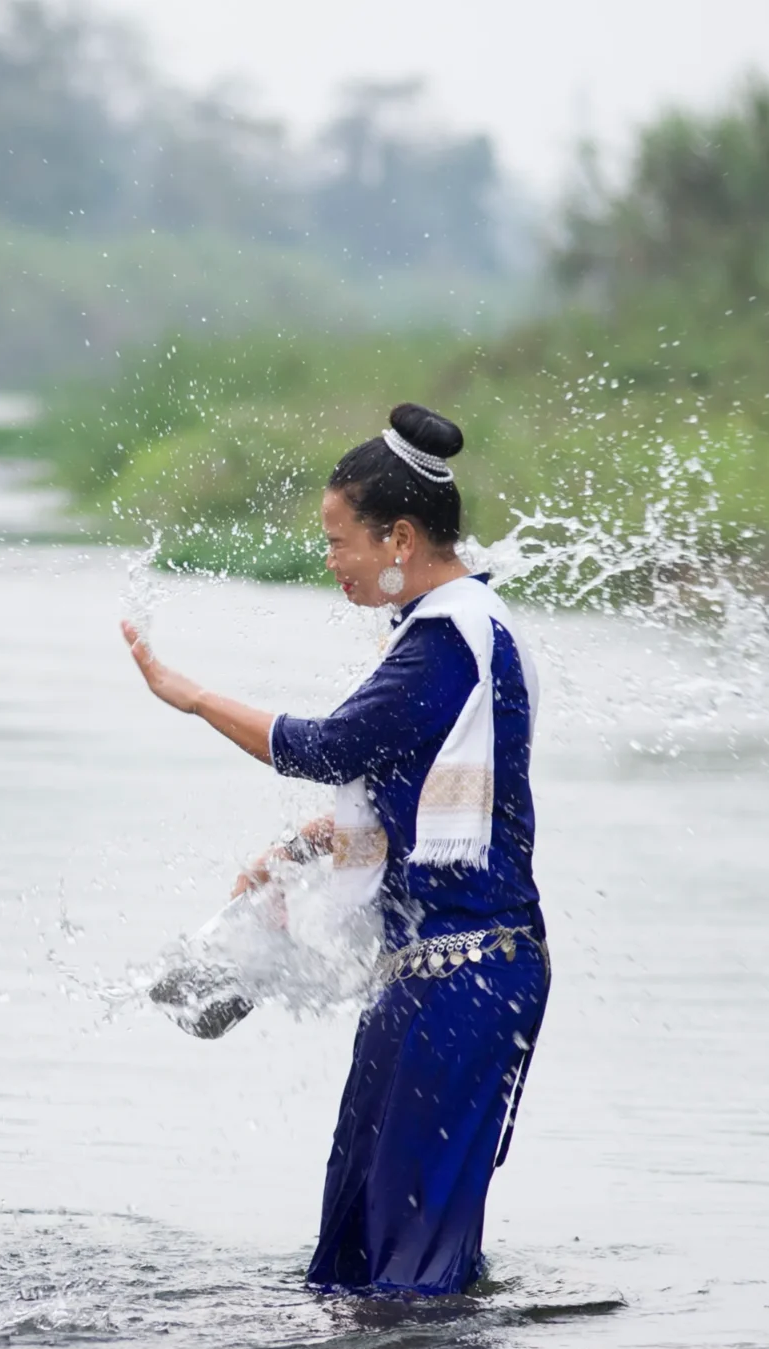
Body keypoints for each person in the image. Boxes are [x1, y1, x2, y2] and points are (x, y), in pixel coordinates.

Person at [120, 404, 548, 1295]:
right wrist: (301, 850)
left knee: (412, 1248)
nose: (331, 562)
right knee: (357, 1233)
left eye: (338, 540)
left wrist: (189, 694)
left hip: (469, 974)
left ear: (398, 536)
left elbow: (327, 748)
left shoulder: (447, 641)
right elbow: (422, 795)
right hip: (430, 972)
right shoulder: (450, 628)